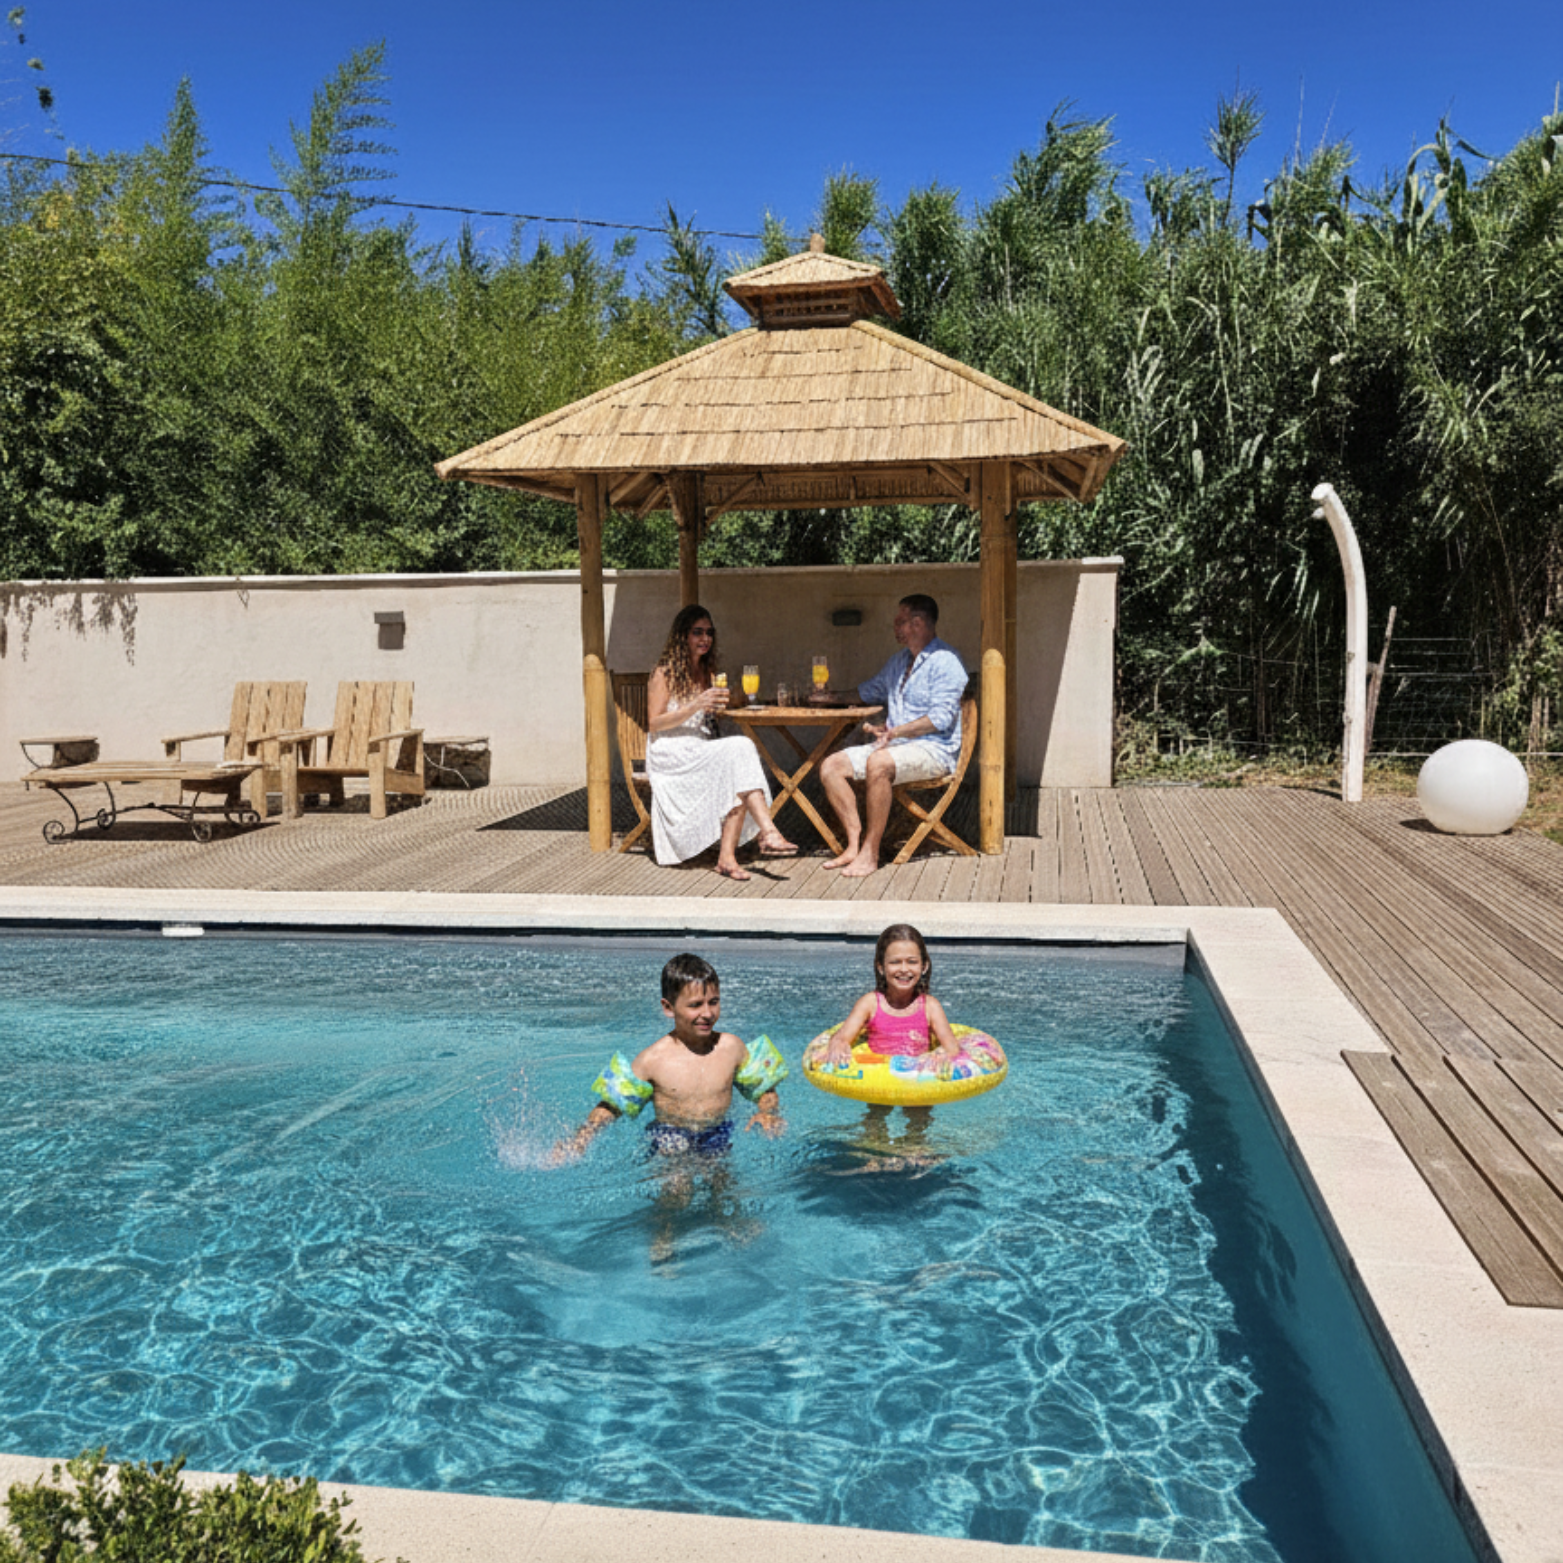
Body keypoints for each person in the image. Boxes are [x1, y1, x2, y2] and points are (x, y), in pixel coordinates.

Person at [558, 953, 787, 1160]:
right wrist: (581, 1140)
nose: (707, 1013)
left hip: (716, 1133)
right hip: (670, 1137)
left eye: (714, 1002)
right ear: (668, 1008)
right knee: (677, 1192)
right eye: (695, 1005)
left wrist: (767, 1112)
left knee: (725, 1193)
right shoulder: (651, 1061)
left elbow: (764, 1087)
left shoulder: (732, 1047)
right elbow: (611, 1106)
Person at [645, 604, 797, 881]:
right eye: (697, 632)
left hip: (699, 745)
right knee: (739, 750)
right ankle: (767, 831)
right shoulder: (663, 673)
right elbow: (654, 723)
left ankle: (729, 858)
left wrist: (727, 703)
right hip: (670, 750)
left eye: (709, 633)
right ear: (683, 636)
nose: (705, 639)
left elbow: (713, 713)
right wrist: (696, 705)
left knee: (737, 757)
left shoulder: (707, 671)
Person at [819, 594, 966, 876]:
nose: (895, 627)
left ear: (918, 623)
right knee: (831, 767)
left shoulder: (945, 661)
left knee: (879, 763)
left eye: (900, 621)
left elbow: (940, 718)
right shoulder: (898, 662)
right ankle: (853, 844)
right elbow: (868, 692)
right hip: (895, 746)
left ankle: (870, 853)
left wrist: (896, 731)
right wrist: (829, 697)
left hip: (933, 750)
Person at [824, 923, 959, 1163]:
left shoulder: (929, 1006)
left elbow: (951, 1046)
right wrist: (839, 1043)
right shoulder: (870, 1003)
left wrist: (938, 1053)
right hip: (879, 1080)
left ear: (924, 966)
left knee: (919, 1115)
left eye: (912, 962)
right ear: (880, 967)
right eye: (895, 962)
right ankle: (874, 1154)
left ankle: (915, 1147)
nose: (904, 969)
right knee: (876, 1115)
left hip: (918, 1083)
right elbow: (844, 1036)